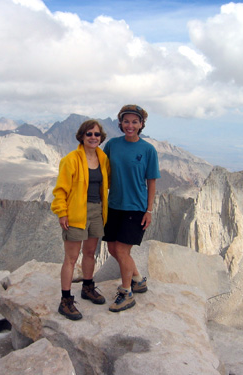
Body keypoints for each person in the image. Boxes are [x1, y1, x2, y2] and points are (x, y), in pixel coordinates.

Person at [102, 104, 160, 312]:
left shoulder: (148, 150)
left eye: (135, 122)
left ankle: (126, 293)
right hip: (114, 205)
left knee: (121, 249)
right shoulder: (112, 145)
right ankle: (137, 279)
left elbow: (151, 181)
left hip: (135, 207)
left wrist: (149, 210)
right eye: (126, 121)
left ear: (141, 124)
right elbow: (101, 168)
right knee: (112, 248)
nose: (130, 125)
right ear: (120, 123)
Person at [51, 119, 110, 320]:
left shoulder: (103, 159)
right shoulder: (71, 159)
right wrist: (62, 212)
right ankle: (65, 300)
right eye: (89, 134)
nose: (93, 137)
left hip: (96, 211)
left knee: (90, 252)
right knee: (71, 258)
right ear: (82, 137)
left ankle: (87, 287)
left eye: (96, 134)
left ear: (101, 138)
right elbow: (61, 189)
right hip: (76, 213)